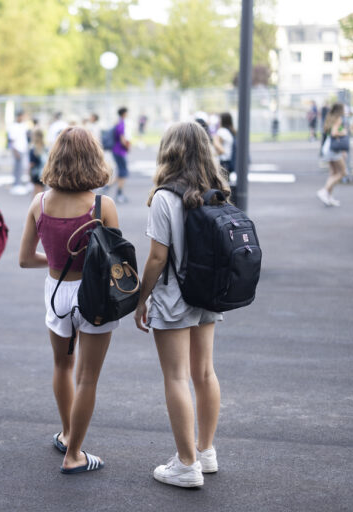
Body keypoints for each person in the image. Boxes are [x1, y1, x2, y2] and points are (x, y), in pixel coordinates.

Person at [133, 122, 228, 488]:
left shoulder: (164, 196)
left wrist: (142, 298)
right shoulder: (215, 191)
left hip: (174, 296)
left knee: (176, 376)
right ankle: (205, 451)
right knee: (205, 373)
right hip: (208, 291)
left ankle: (186, 464)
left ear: (168, 150)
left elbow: (158, 257)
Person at [18, 126, 117, 474]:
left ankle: (66, 433)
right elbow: (114, 262)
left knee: (63, 366)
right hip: (94, 297)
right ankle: (74, 453)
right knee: (88, 377)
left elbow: (25, 259)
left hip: (57, 291)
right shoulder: (103, 206)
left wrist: (58, 261)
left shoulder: (39, 202)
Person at [317, 103, 348, 206]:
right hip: (333, 149)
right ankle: (324, 191)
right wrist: (343, 132)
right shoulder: (338, 119)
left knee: (333, 173)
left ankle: (328, 197)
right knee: (342, 172)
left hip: (328, 147)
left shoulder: (330, 117)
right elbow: (334, 133)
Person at [111, 107, 131, 204]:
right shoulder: (121, 123)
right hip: (119, 151)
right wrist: (127, 146)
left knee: (121, 172)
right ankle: (119, 194)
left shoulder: (117, 122)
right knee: (123, 172)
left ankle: (107, 187)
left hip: (116, 150)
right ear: (124, 113)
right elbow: (122, 138)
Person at [7, 110, 30, 195]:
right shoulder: (13, 127)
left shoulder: (24, 126)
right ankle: (16, 184)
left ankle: (19, 183)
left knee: (22, 167)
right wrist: (15, 151)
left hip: (23, 148)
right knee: (17, 167)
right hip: (17, 149)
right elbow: (11, 140)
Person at [212, 112, 235, 183]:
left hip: (221, 163)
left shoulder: (221, 131)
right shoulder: (230, 132)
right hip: (228, 162)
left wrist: (214, 139)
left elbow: (221, 150)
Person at [29, 128, 48, 197]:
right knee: (43, 192)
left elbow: (31, 164)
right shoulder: (46, 148)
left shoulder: (33, 149)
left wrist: (29, 174)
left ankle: (37, 207)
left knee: (36, 193)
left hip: (35, 173)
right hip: (44, 172)